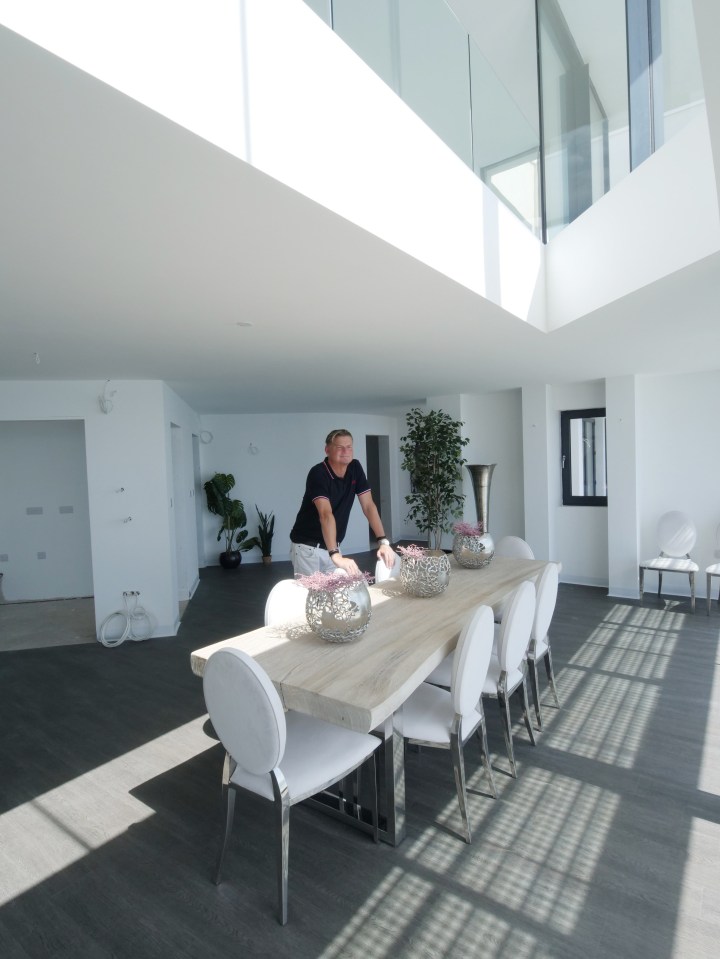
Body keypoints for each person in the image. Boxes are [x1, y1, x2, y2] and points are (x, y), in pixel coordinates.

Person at [290, 429, 396, 577]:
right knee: (312, 596)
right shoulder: (318, 473)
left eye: (349, 446)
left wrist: (383, 542)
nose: (346, 451)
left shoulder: (355, 468)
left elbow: (368, 506)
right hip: (308, 547)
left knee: (338, 594)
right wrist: (335, 554)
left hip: (332, 545)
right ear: (327, 450)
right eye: (340, 447)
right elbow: (325, 514)